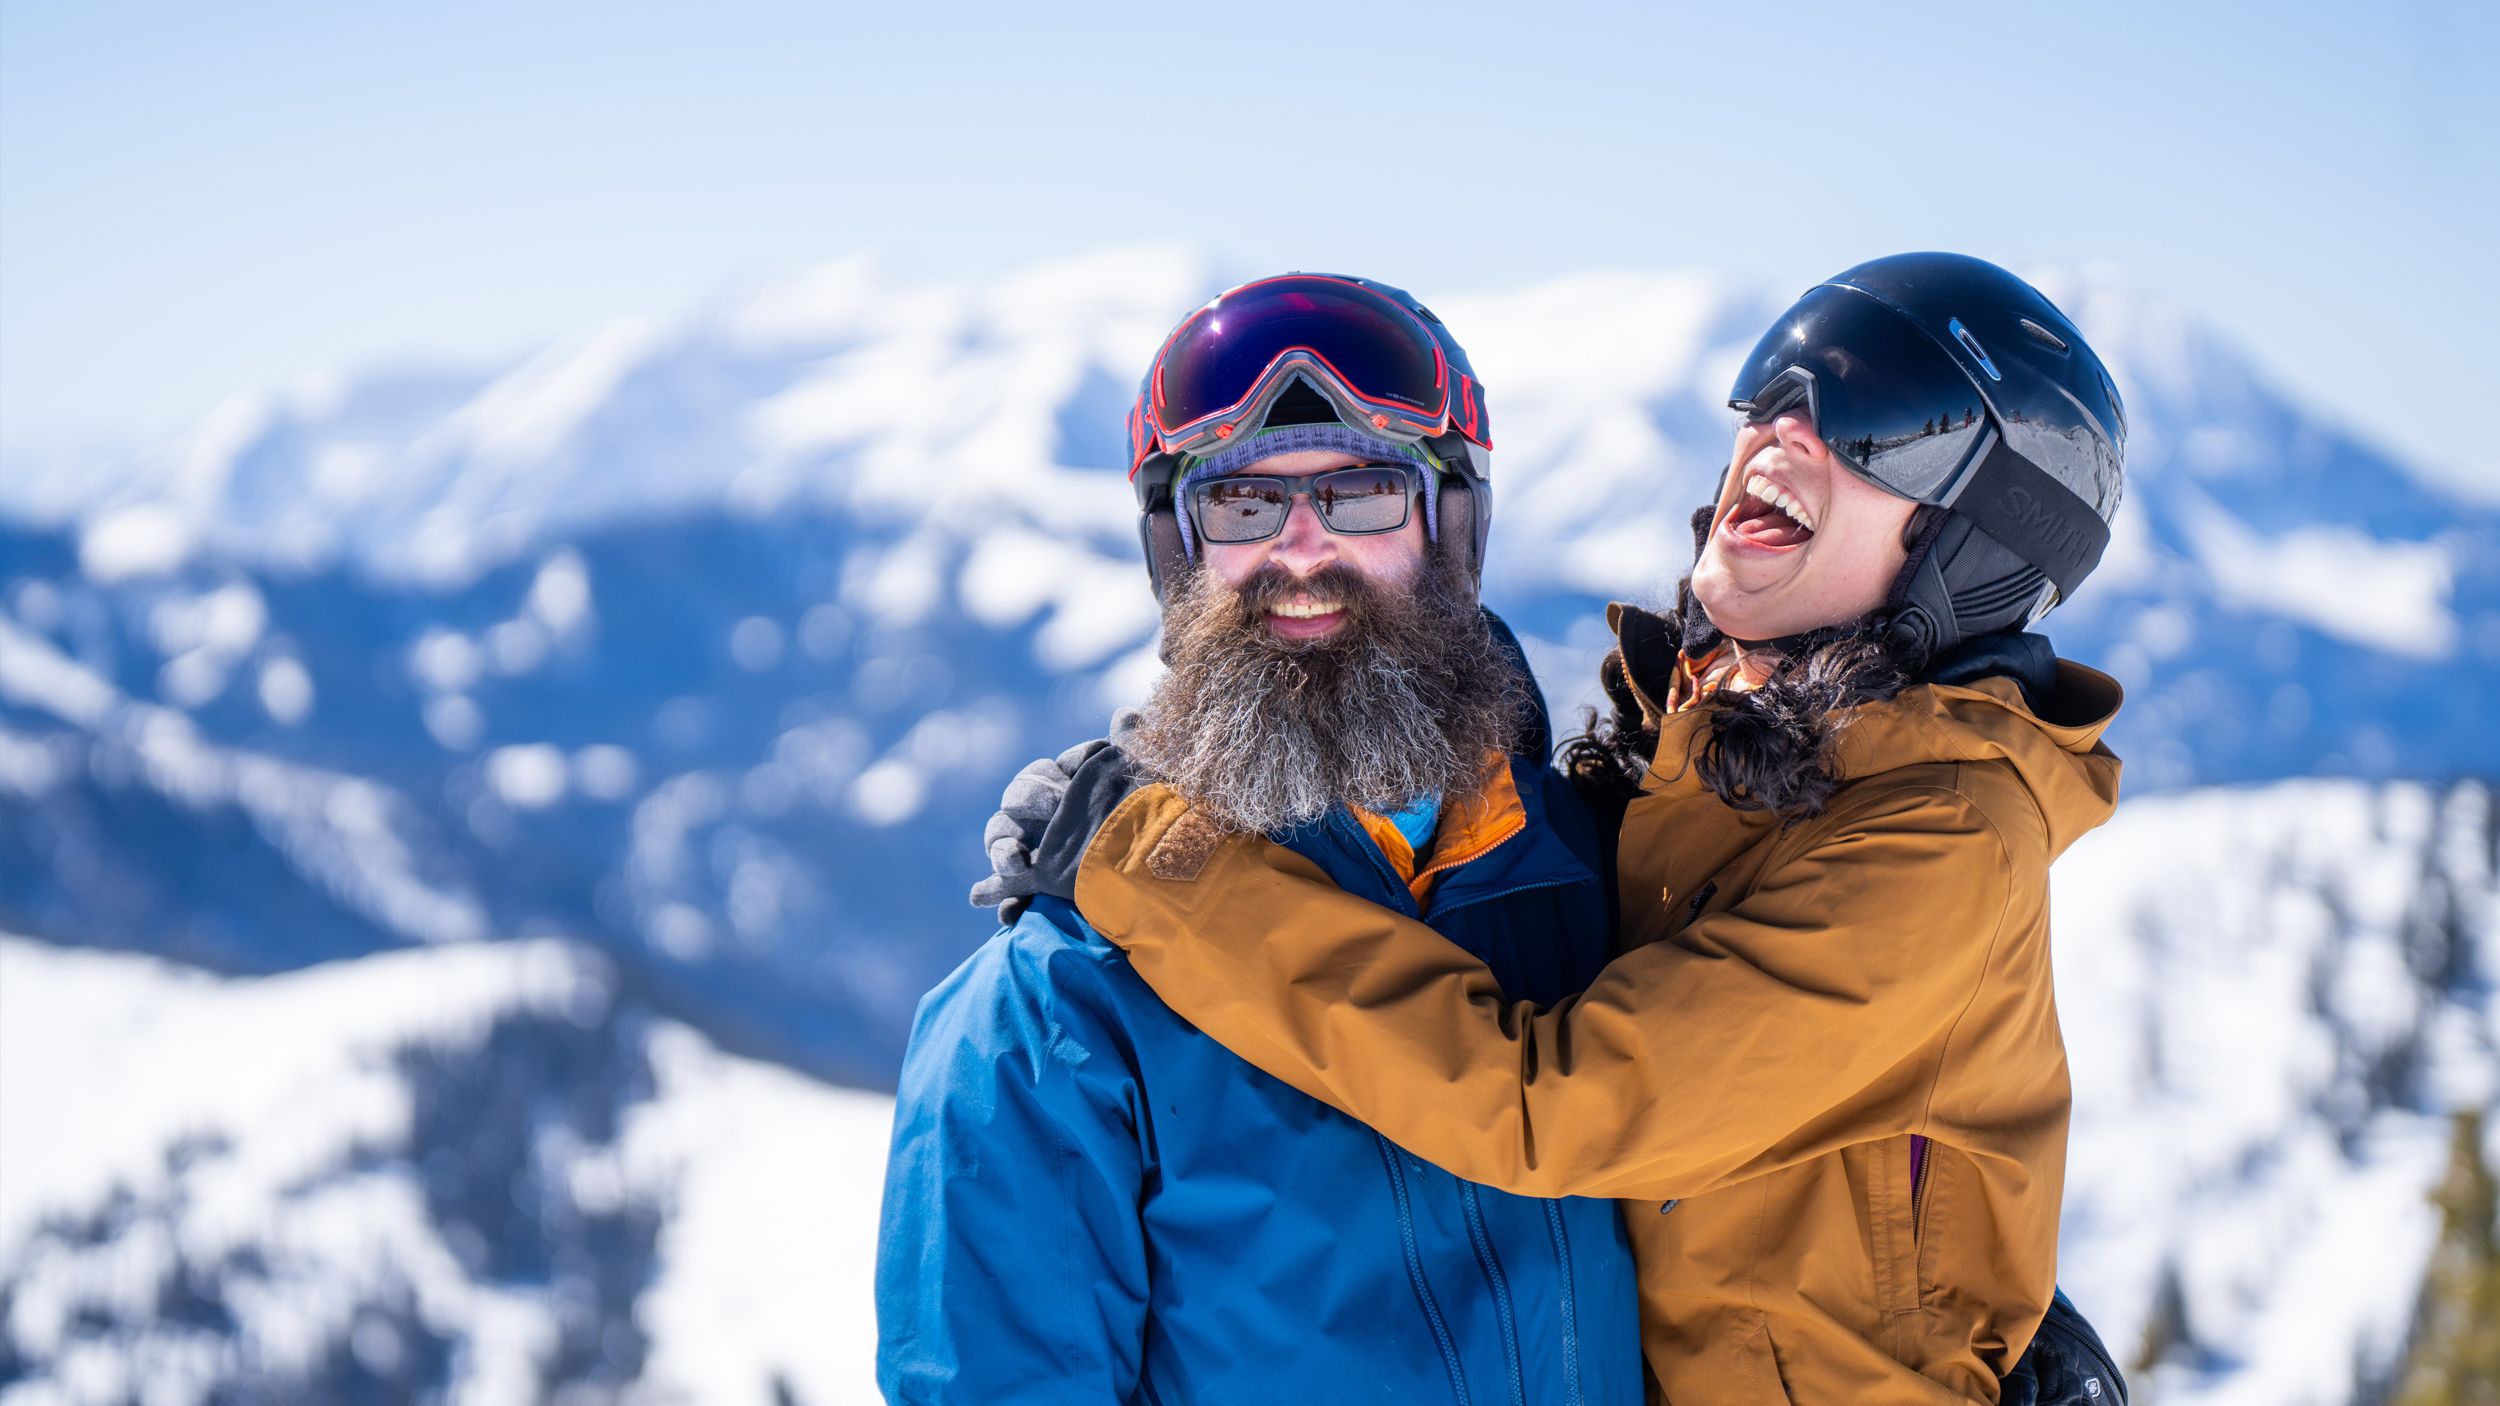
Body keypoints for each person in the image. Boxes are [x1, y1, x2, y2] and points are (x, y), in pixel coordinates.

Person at [993, 254, 2135, 1404]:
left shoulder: (1935, 834)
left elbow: (1558, 1103)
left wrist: (1155, 862)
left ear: (1974, 548)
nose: (1788, 432)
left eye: (1887, 427)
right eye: (1776, 389)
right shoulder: (1741, 764)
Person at [874, 274, 1645, 1404]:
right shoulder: (1056, 1013)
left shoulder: (1609, 883)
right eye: (1242, 504)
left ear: (1452, 526)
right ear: (1180, 555)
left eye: (1362, 493)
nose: (1300, 549)